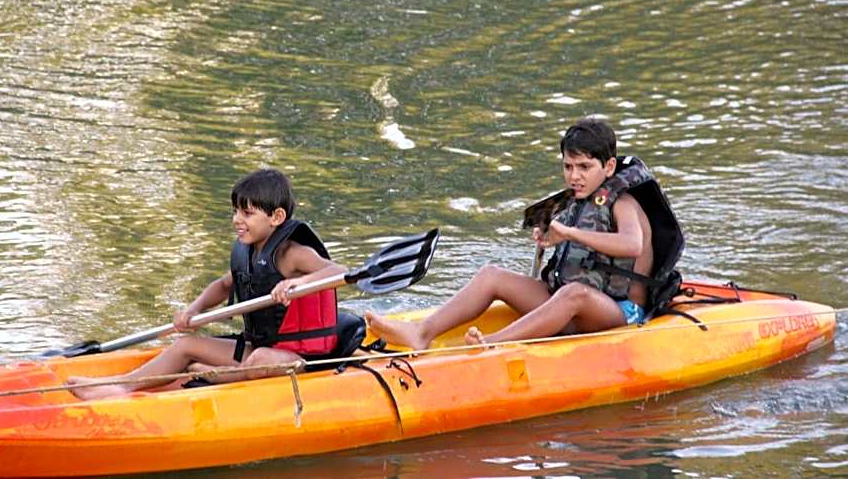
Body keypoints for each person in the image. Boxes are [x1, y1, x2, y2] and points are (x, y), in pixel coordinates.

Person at [365, 117, 683, 349]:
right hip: (570, 301)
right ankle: (421, 332)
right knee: (492, 275)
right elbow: (573, 249)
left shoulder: (624, 203)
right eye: (568, 167)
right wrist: (549, 239)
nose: (574, 176)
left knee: (574, 293)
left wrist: (569, 234)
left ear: (609, 167)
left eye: (584, 167)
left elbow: (631, 245)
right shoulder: (578, 201)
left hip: (619, 312)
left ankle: (492, 343)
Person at [68, 168, 354, 399]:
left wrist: (300, 282)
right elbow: (224, 285)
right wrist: (194, 309)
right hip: (256, 347)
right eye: (236, 212)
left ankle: (210, 375)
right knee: (186, 344)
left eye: (247, 213)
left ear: (276, 217)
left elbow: (338, 271)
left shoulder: (292, 253)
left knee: (261, 359)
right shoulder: (250, 252)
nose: (237, 220)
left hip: (298, 359)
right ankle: (119, 386)